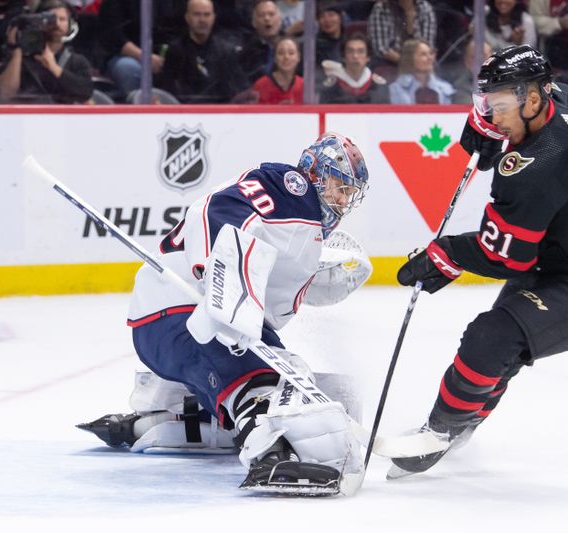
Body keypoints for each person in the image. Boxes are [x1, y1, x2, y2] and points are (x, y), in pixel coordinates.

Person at [389, 44, 568, 478]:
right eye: (486, 105)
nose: (492, 116)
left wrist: (446, 254)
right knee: (501, 344)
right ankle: (466, 420)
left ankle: (441, 431)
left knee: (491, 337)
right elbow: (522, 134)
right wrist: (487, 127)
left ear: (533, 99)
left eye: (500, 107)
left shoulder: (535, 169)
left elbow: (504, 255)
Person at [78, 132, 371, 495]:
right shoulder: (290, 188)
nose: (342, 200)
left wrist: (320, 278)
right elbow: (211, 209)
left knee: (285, 371)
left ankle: (173, 418)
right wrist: (215, 276)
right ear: (314, 172)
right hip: (181, 310)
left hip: (175, 322)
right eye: (338, 186)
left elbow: (271, 294)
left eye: (349, 193)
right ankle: (269, 454)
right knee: (265, 379)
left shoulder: (299, 226)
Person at [0, 0, 94, 103]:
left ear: (69, 25)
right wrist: (17, 51)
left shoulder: (77, 61)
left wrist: (54, 68)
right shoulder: (23, 58)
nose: (57, 24)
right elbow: (5, 93)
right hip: (27, 115)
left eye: (62, 19)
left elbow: (85, 92)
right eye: (51, 19)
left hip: (63, 117)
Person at [159, 0, 245, 103]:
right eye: (197, 14)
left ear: (213, 18)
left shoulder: (226, 51)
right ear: (187, 17)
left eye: (207, 15)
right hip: (186, 113)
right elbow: (168, 90)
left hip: (222, 113)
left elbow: (239, 88)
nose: (202, 20)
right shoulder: (176, 51)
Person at [98, 0, 188, 97]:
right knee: (127, 68)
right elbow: (112, 34)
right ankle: (139, 108)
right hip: (130, 55)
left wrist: (172, 55)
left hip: (170, 52)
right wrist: (144, 57)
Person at [320, 33, 390, 104]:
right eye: (350, 51)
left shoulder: (379, 86)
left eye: (360, 51)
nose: (355, 56)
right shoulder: (331, 87)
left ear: (368, 57)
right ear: (343, 57)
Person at [367, 0, 437, 67]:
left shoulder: (425, 8)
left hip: (419, 60)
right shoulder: (381, 9)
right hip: (387, 61)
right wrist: (406, 62)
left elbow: (427, 45)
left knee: (433, 66)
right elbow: (381, 49)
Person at [389, 38, 454, 104]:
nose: (430, 58)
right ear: (409, 59)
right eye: (423, 54)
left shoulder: (445, 88)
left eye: (430, 53)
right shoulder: (395, 89)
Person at [251, 35, 303, 103]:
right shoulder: (260, 85)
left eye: (291, 53)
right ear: (275, 58)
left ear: (298, 57)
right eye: (281, 53)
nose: (286, 57)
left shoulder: (304, 85)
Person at [451, 37, 493, 105]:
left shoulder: (505, 80)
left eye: (484, 55)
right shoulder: (460, 87)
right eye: (474, 57)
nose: (480, 60)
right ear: (466, 61)